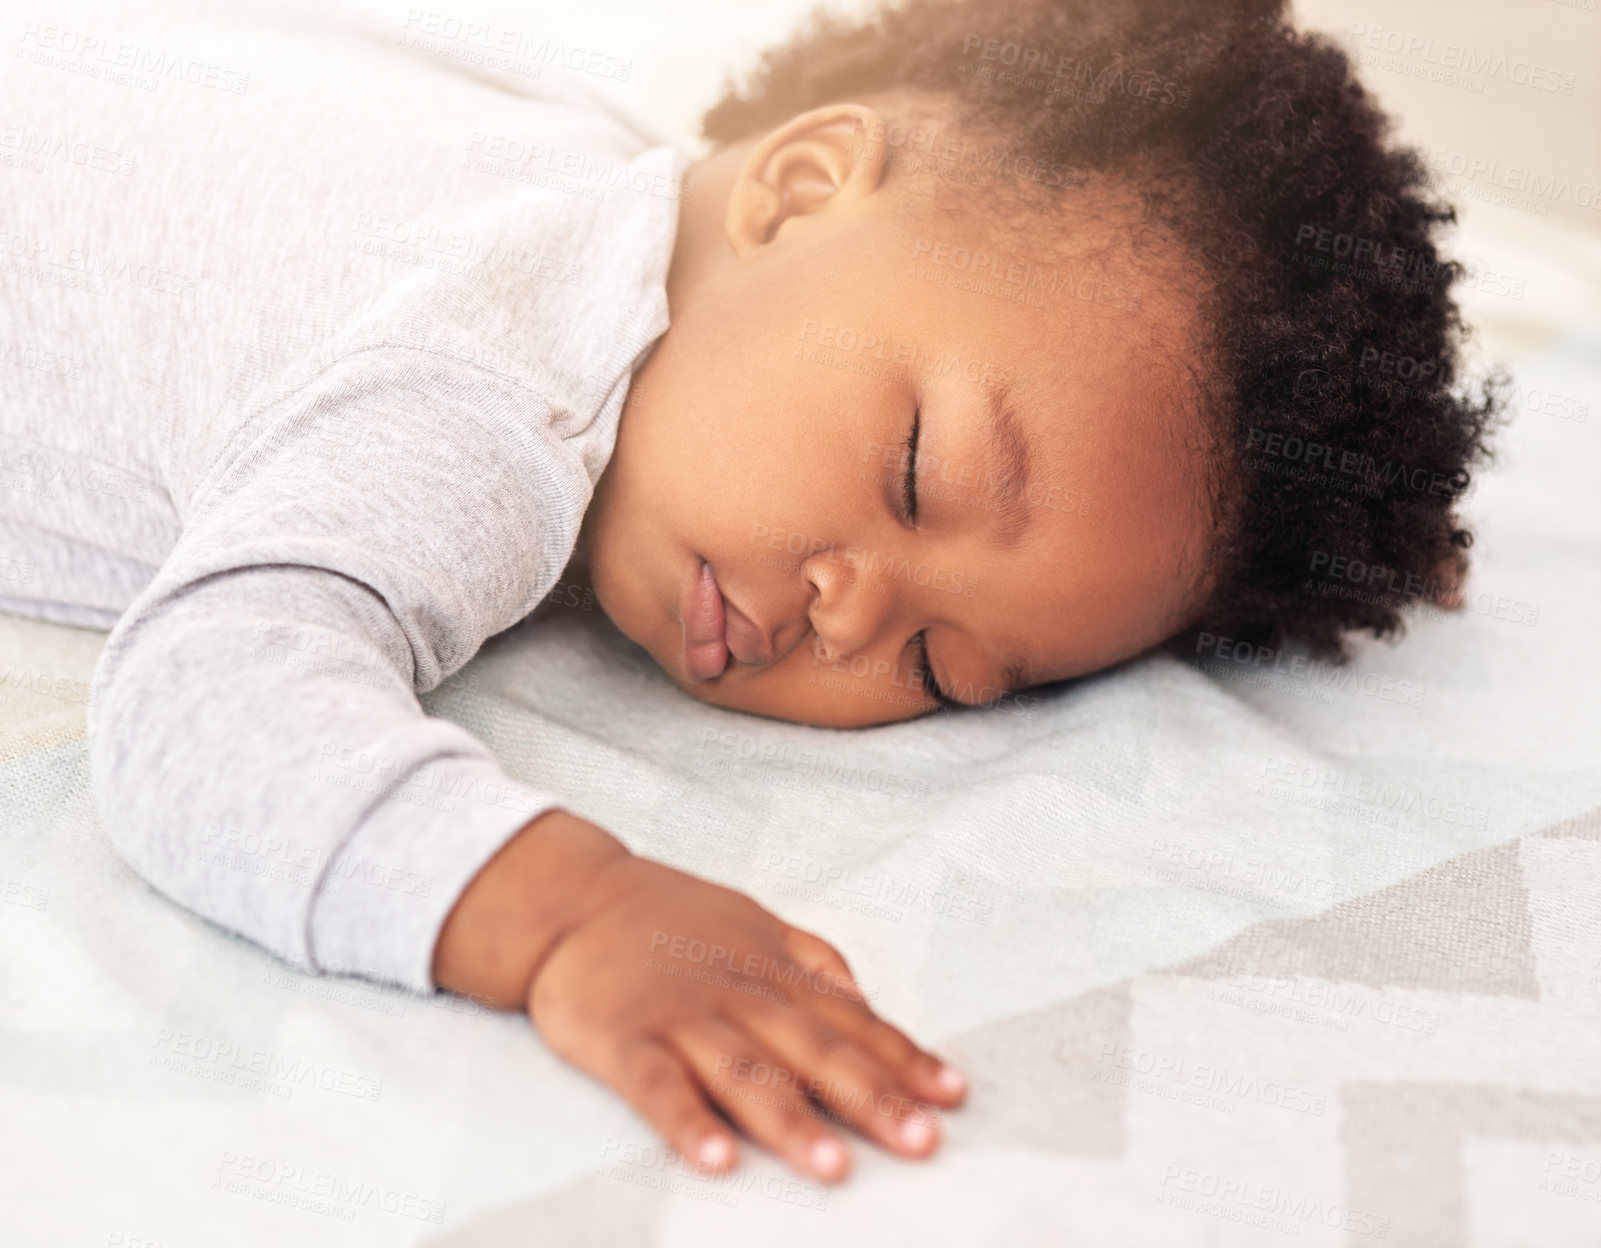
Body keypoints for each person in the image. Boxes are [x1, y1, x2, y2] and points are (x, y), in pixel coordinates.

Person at [0, 0, 1497, 1183]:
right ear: (796, 183)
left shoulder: (568, 151)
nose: (851, 616)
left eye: (940, 672)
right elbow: (205, 701)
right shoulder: (489, 406)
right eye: (914, 473)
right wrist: (563, 911)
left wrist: (1316, 540)